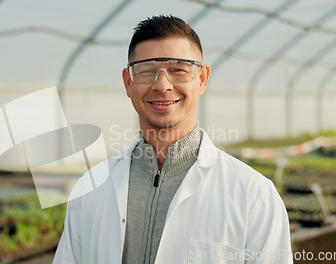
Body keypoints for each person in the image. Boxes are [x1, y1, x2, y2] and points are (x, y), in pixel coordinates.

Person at [53, 15, 292, 264]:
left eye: (178, 70)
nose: (162, 85)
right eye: (146, 71)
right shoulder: (90, 189)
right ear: (127, 82)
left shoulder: (253, 196)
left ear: (201, 79)